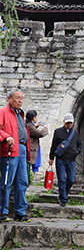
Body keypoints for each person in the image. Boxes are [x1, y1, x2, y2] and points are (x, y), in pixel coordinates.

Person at [0, 89, 31, 222]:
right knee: (6, 182)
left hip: (22, 150)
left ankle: (20, 211)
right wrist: (6, 136)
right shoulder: (3, 112)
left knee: (22, 182)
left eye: (21, 98)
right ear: (9, 98)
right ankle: (3, 211)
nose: (20, 100)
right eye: (17, 98)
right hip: (11, 149)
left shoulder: (20, 114)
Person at [47, 113, 82, 208]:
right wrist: (51, 157)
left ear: (73, 123)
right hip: (60, 159)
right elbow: (54, 145)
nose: (69, 124)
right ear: (64, 122)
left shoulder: (75, 133)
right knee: (61, 179)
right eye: (67, 123)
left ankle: (64, 193)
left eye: (71, 123)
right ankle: (63, 199)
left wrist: (77, 151)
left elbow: (79, 144)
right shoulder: (58, 132)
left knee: (71, 179)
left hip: (71, 159)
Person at [25, 110, 48, 180]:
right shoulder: (30, 126)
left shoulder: (30, 125)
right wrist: (45, 128)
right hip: (30, 151)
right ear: (33, 117)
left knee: (27, 170)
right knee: (26, 172)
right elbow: (40, 134)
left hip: (31, 150)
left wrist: (36, 126)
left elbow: (33, 132)